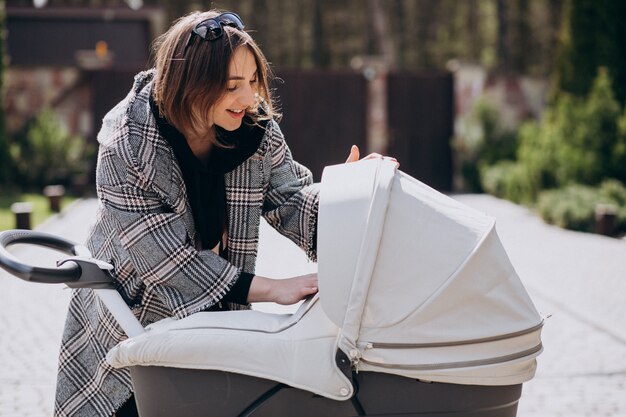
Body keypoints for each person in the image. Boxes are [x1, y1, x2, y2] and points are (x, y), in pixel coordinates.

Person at [54, 10, 394, 417]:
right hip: (132, 313)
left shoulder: (254, 127)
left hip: (216, 314)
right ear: (188, 82)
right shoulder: (126, 143)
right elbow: (167, 264)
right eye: (233, 86)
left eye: (253, 82)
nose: (249, 98)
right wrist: (273, 288)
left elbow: (292, 200)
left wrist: (349, 196)